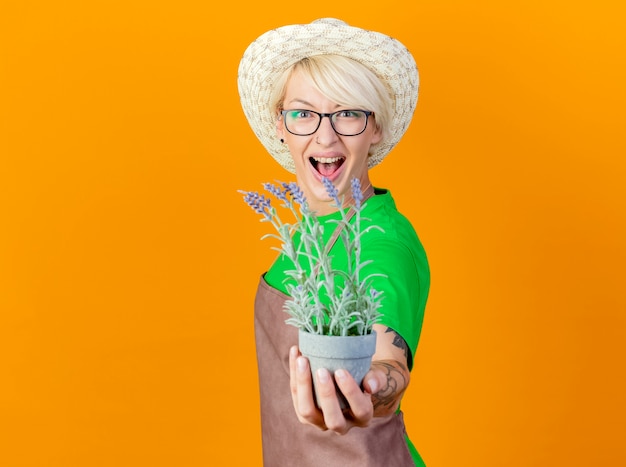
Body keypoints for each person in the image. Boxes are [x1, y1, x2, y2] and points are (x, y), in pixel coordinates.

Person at [238, 18, 430, 466]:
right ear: (281, 124)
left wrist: (371, 389)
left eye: (347, 113)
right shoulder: (312, 230)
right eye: (303, 113)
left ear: (375, 128)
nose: (325, 136)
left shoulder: (382, 242)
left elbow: (388, 361)